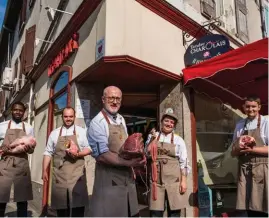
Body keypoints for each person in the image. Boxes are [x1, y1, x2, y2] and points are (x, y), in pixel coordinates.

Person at [87, 86, 145, 217]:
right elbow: (102, 156)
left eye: (118, 98)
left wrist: (134, 160)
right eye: (111, 98)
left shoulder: (121, 119)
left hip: (127, 178)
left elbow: (123, 147)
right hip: (109, 181)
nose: (115, 101)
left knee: (130, 213)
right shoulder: (97, 122)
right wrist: (129, 164)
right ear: (103, 99)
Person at [42, 107, 91, 217]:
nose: (68, 119)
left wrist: (78, 154)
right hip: (60, 176)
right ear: (62, 117)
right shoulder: (54, 133)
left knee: (78, 209)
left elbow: (89, 149)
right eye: (66, 116)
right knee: (62, 208)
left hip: (77, 175)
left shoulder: (81, 131)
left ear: (74, 116)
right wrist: (44, 170)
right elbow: (48, 152)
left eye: (70, 116)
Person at [145, 109, 190, 217]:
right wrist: (153, 140)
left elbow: (183, 162)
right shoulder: (153, 136)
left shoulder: (179, 140)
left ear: (174, 125)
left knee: (174, 212)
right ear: (161, 122)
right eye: (167, 121)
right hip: (156, 181)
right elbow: (146, 153)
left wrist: (183, 181)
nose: (169, 124)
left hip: (173, 181)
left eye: (172, 122)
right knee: (155, 213)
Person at [231, 95, 268, 217]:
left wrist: (252, 149)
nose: (250, 109)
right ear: (243, 107)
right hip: (244, 170)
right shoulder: (240, 125)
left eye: (253, 106)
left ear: (259, 107)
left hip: (262, 170)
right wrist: (240, 148)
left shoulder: (266, 123)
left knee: (260, 209)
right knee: (243, 210)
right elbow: (233, 152)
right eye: (247, 106)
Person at [0, 101, 36, 217]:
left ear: (24, 112)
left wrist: (29, 147)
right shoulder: (2, 126)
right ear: (11, 111)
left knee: (22, 198)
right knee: (1, 196)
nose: (18, 112)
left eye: (20, 110)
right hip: (5, 163)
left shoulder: (29, 128)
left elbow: (32, 150)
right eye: (15, 110)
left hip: (22, 164)